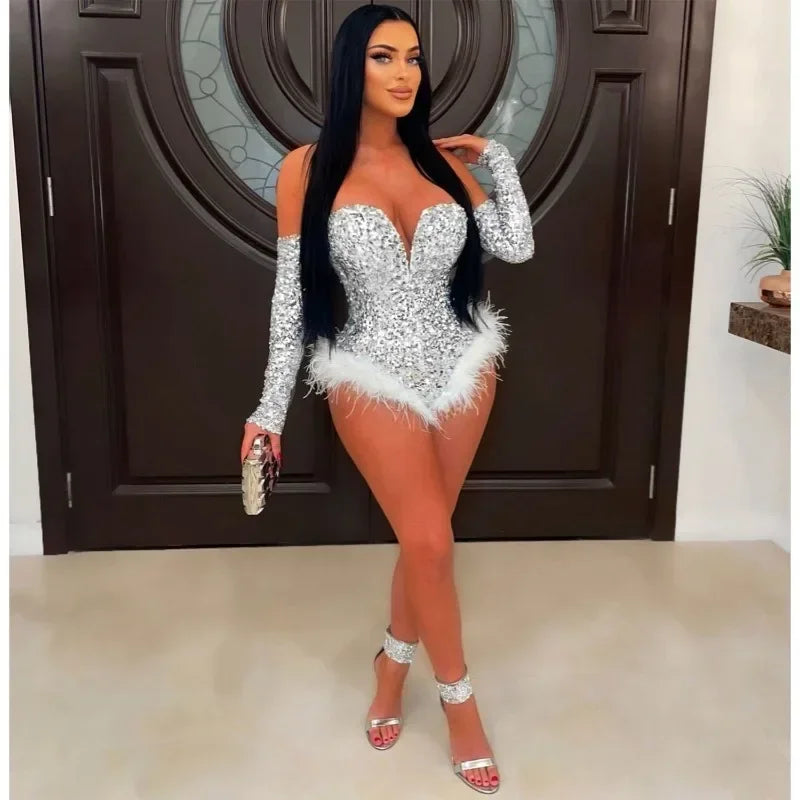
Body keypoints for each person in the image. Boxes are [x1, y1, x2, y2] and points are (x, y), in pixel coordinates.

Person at [239, 4, 534, 794]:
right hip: (368, 372)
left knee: (422, 538)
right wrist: (268, 411)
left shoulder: (441, 165)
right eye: (383, 56)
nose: (405, 73)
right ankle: (460, 702)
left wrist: (497, 160)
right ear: (351, 67)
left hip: (464, 368)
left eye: (413, 57)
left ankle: (391, 665)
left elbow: (515, 245)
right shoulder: (306, 169)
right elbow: (290, 300)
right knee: (432, 543)